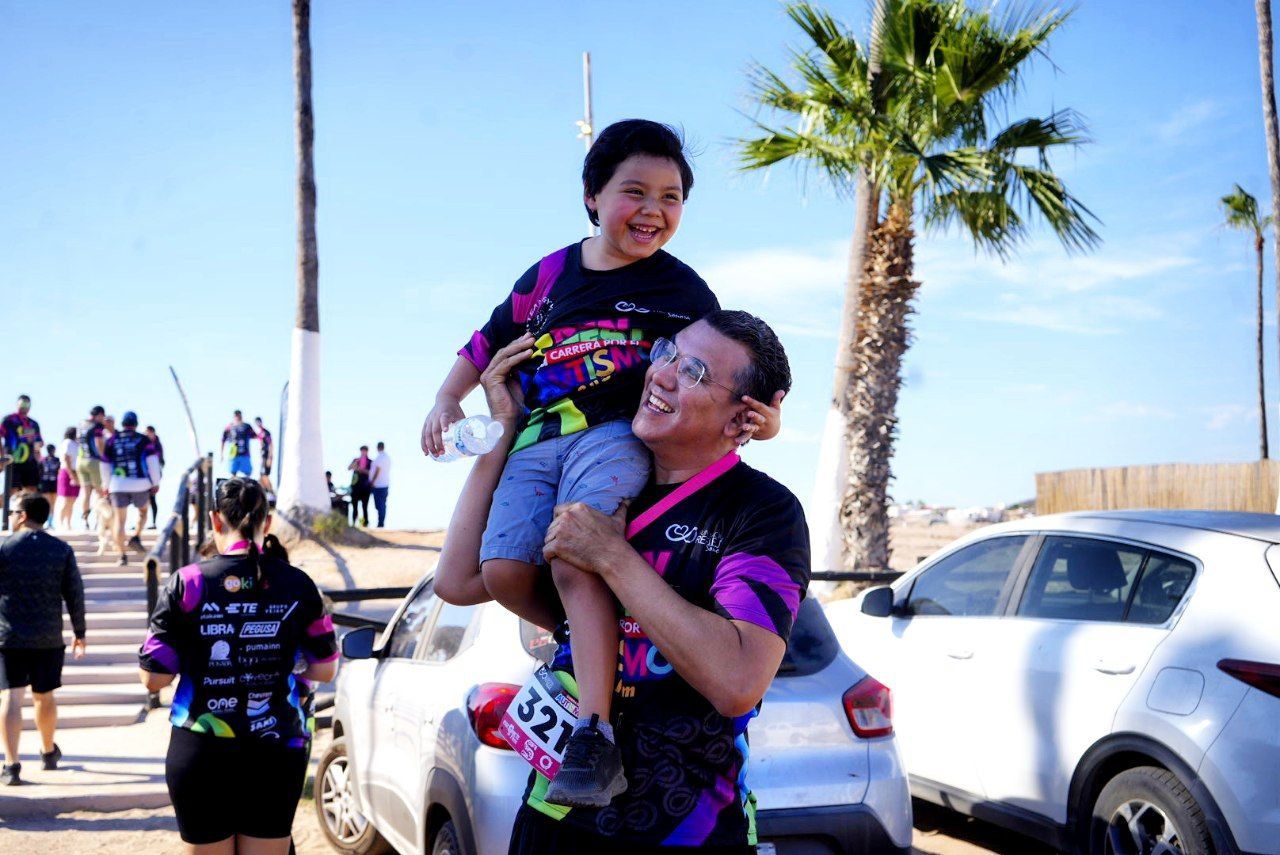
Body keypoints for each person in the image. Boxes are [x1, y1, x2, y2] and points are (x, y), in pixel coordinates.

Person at [420, 120, 782, 807]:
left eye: (672, 197)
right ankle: (583, 629)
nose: (654, 210)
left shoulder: (683, 290)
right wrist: (448, 399)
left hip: (612, 433)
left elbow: (732, 367)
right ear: (592, 195)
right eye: (634, 191)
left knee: (575, 553)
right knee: (501, 570)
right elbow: (484, 342)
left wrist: (770, 418)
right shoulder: (548, 275)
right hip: (536, 434)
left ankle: (593, 727)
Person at [436, 311, 807, 851]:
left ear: (741, 419)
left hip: (686, 828)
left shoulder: (763, 511)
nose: (662, 374)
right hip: (554, 815)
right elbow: (459, 579)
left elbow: (737, 682)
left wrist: (612, 556)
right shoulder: (595, 482)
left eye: (695, 373)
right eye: (667, 352)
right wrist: (505, 430)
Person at [137, 477, 338, 852]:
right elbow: (325, 669)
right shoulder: (298, 584)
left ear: (215, 520)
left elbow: (154, 678)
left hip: (200, 745)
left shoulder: (188, 582)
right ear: (268, 522)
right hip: (277, 746)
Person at [0, 495, 87, 785]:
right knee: (45, 695)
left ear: (23, 515)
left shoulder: (5, 548)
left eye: (12, 512)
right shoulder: (60, 549)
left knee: (11, 697)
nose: (10, 517)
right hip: (48, 636)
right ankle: (48, 751)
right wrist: (79, 632)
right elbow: (74, 593)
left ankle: (11, 765)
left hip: (9, 636)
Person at [100, 411, 161, 566]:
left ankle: (122, 555)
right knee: (143, 512)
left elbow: (104, 465)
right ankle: (136, 536)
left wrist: (106, 485)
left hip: (117, 484)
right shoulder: (144, 440)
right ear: (136, 424)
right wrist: (155, 482)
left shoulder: (112, 440)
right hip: (140, 483)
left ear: (122, 424)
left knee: (119, 520)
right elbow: (153, 462)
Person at [0, 395, 43, 501]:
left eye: (27, 404)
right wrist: (2, 456)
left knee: (31, 491)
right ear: (17, 404)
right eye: (22, 403)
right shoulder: (9, 420)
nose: (24, 407)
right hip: (12, 460)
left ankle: (23, 510)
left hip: (30, 462)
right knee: (12, 490)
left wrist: (37, 449)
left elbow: (39, 442)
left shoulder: (33, 423)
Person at [75, 406, 107, 529]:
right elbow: (99, 442)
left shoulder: (81, 424)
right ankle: (99, 521)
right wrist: (103, 456)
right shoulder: (97, 426)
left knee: (86, 492)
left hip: (80, 460)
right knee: (100, 492)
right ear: (99, 414)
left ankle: (85, 521)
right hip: (93, 461)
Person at [56, 428, 80, 531]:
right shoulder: (67, 442)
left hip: (76, 472)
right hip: (67, 471)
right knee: (66, 500)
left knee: (72, 500)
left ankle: (68, 524)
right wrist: (71, 475)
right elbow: (66, 458)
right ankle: (60, 523)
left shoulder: (76, 444)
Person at [221, 410, 255, 478]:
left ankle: (246, 483)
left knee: (248, 473)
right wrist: (221, 454)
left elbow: (255, 436)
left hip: (245, 453)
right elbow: (223, 440)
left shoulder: (247, 426)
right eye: (236, 416)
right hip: (233, 453)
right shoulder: (229, 427)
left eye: (239, 415)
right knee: (233, 472)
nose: (238, 417)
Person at [145, 426, 166, 529]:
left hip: (154, 476)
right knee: (143, 499)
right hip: (144, 475)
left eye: (148, 433)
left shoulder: (157, 445)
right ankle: (143, 522)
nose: (147, 435)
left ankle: (153, 523)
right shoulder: (144, 443)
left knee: (152, 498)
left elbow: (160, 461)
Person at [347, 447, 372, 527]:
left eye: (365, 451)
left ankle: (364, 524)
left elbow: (371, 472)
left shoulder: (370, 462)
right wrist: (356, 464)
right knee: (355, 507)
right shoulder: (356, 460)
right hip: (355, 488)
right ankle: (354, 523)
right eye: (362, 451)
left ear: (367, 451)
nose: (363, 452)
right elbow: (349, 468)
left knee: (364, 507)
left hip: (365, 488)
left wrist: (361, 470)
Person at [368, 442, 391, 528]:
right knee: (381, 504)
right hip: (384, 484)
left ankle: (381, 523)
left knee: (379, 504)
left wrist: (372, 481)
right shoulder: (387, 457)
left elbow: (378, 470)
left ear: (378, 447)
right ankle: (381, 522)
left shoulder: (380, 457)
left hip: (378, 485)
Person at [37, 444, 59, 526]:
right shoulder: (43, 460)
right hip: (45, 483)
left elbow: (58, 471)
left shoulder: (57, 460)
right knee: (47, 503)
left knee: (53, 503)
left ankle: (50, 522)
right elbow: (39, 473)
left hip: (54, 483)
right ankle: (45, 521)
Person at [253, 417, 274, 494]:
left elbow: (271, 445)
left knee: (264, 475)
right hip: (262, 457)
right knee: (261, 476)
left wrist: (269, 457)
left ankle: (271, 492)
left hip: (267, 456)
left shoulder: (266, 432)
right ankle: (265, 492)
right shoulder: (260, 433)